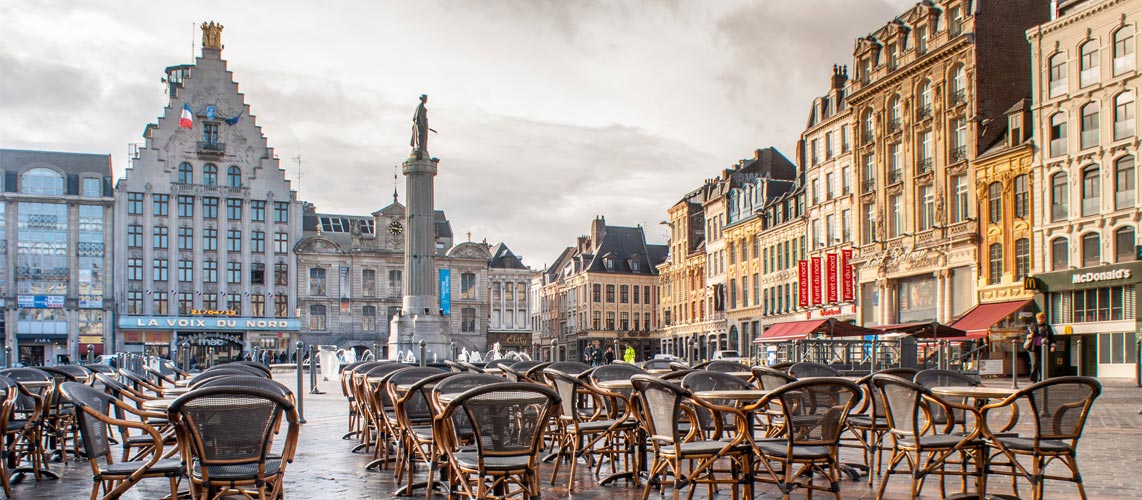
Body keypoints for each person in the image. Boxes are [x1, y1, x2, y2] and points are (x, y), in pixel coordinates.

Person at [1027, 312, 1054, 383]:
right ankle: (1033, 379)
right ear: (1037, 319)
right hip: (1033, 347)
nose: (1040, 320)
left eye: (1042, 319)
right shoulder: (1033, 326)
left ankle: (1042, 378)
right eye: (1039, 319)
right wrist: (1029, 336)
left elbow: (1051, 337)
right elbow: (1027, 335)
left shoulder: (1047, 327)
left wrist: (1052, 345)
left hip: (1043, 347)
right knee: (1035, 363)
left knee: (1042, 363)